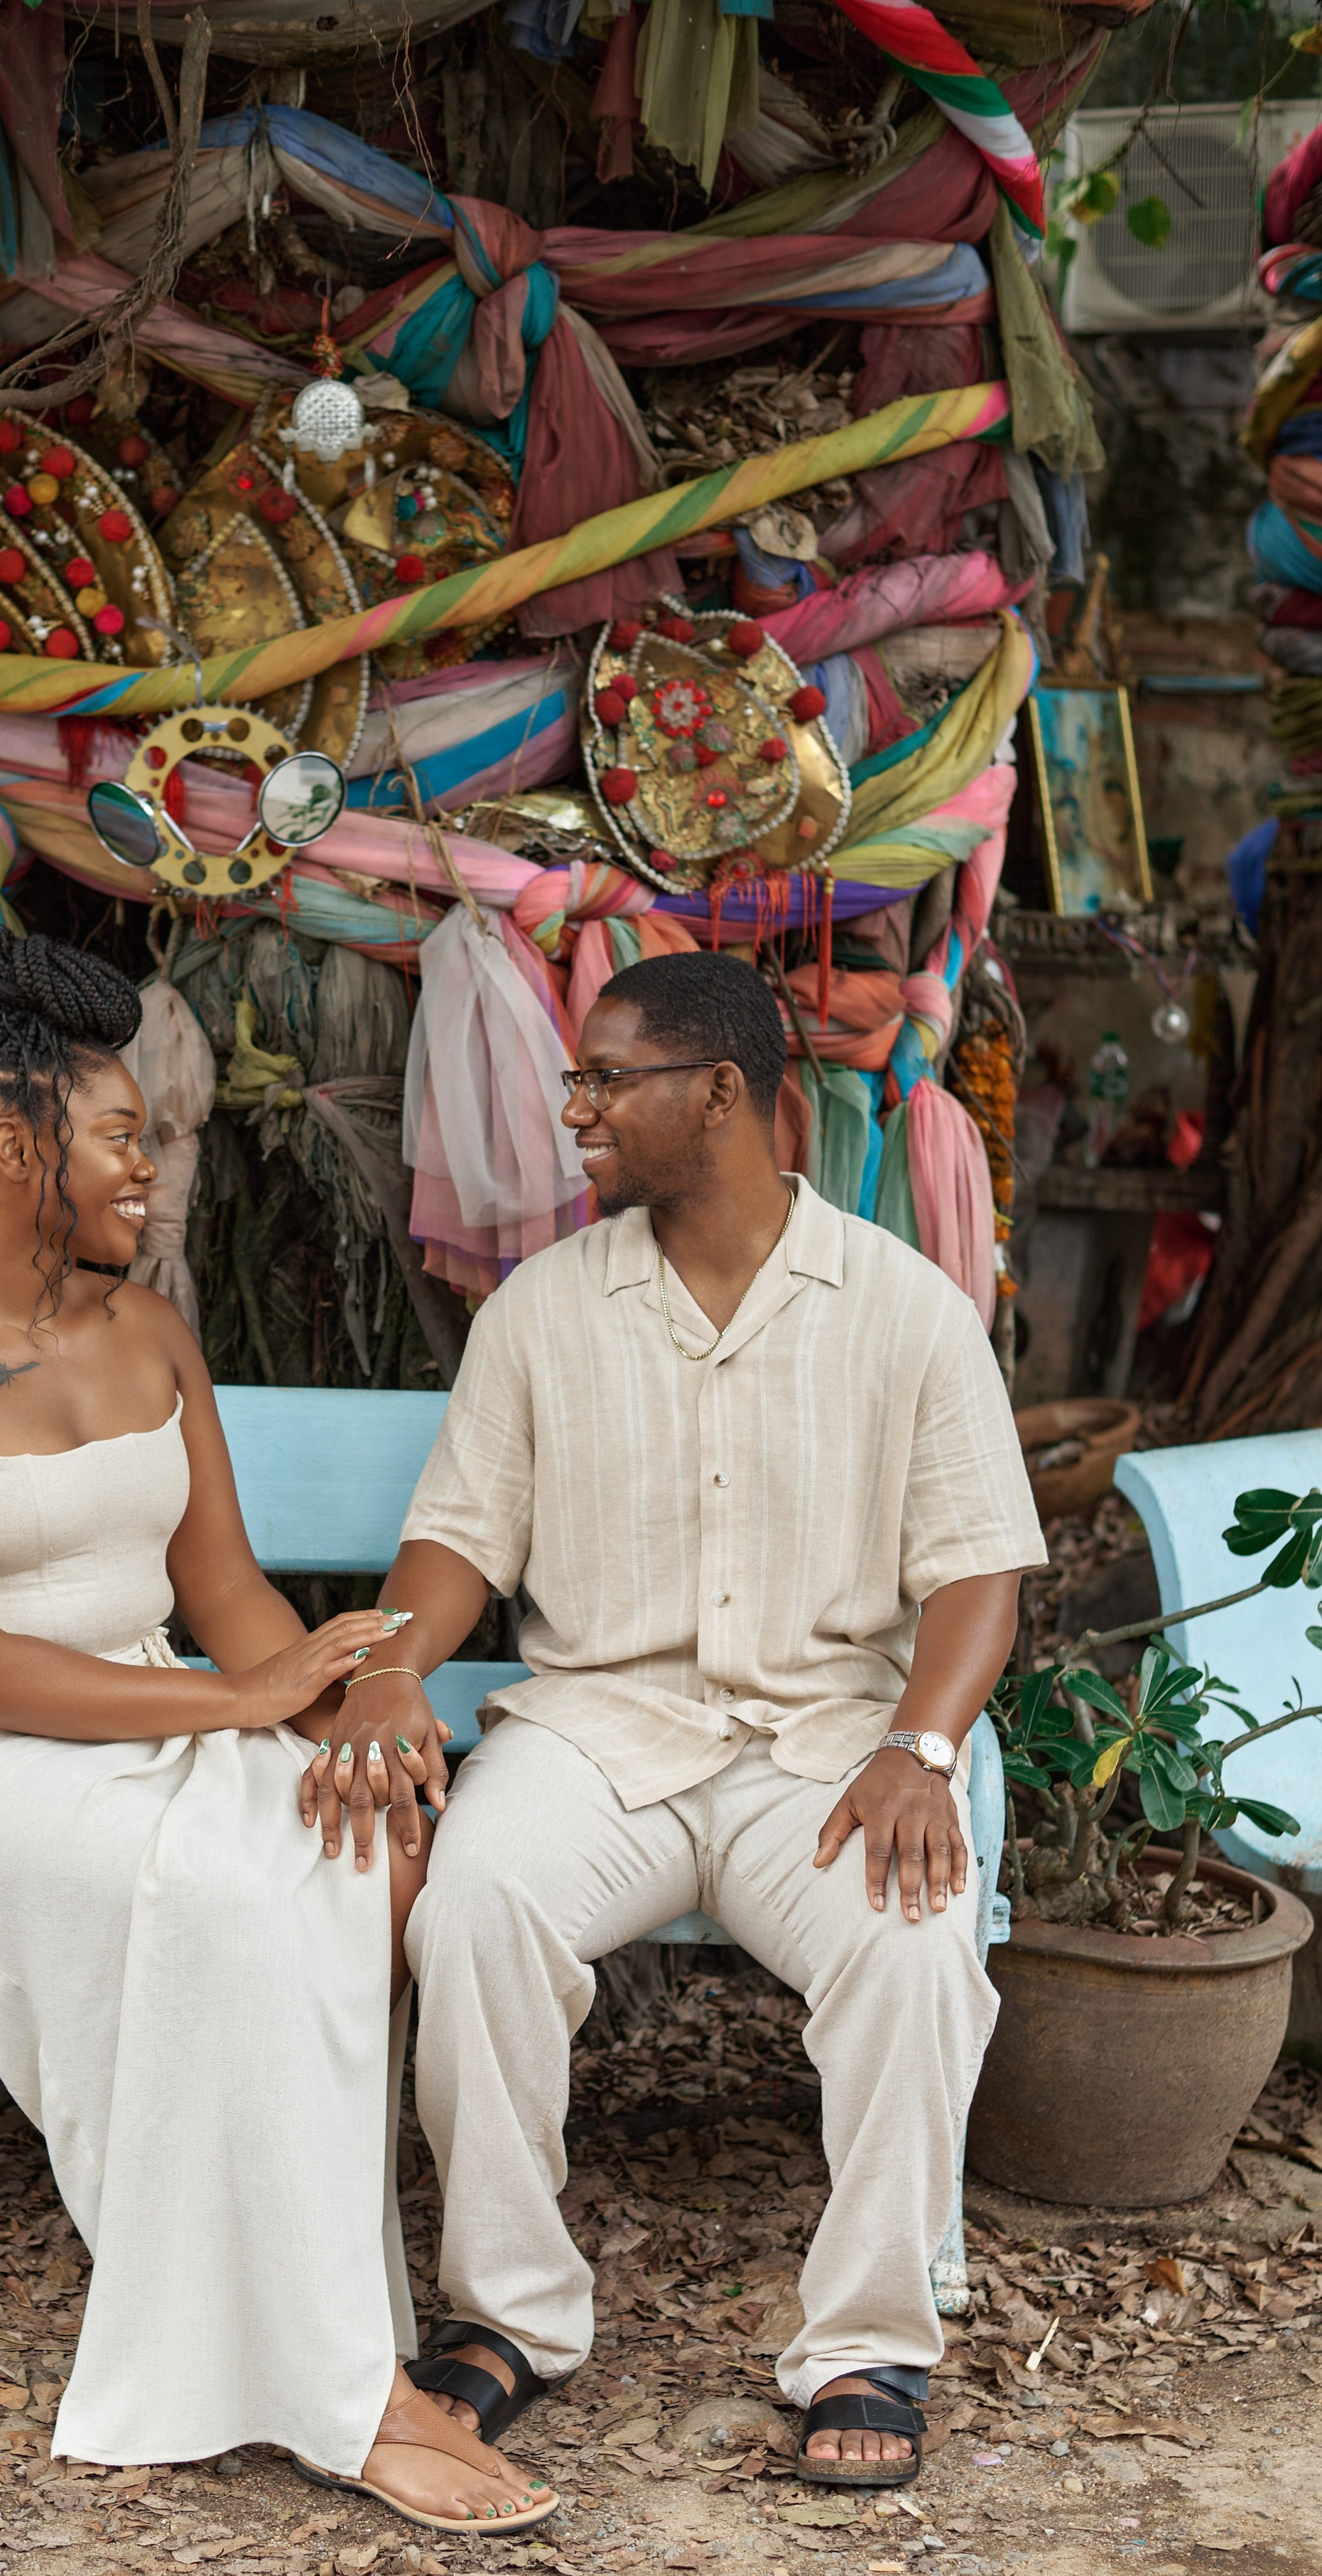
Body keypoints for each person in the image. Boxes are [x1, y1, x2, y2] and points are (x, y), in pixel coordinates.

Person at [0, 931, 556, 2534]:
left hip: (148, 1703)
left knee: (349, 1850)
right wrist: (238, 1710)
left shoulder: (147, 1332)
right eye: (122, 1135)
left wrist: (337, 1710)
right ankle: (350, 2389)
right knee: (223, 1893)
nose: (152, 1165)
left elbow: (225, 1594)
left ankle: (299, 2322)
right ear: (13, 1151)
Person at [305, 950, 1046, 2489]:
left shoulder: (907, 1312)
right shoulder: (540, 1310)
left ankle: (863, 2344)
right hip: (600, 1734)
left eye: (602, 1079)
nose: (569, 1106)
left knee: (912, 1939)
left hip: (822, 1751)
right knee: (477, 1907)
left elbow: (978, 1568)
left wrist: (919, 1747)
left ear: (718, 1093)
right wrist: (389, 1661)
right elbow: (460, 1535)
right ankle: (507, 2318)